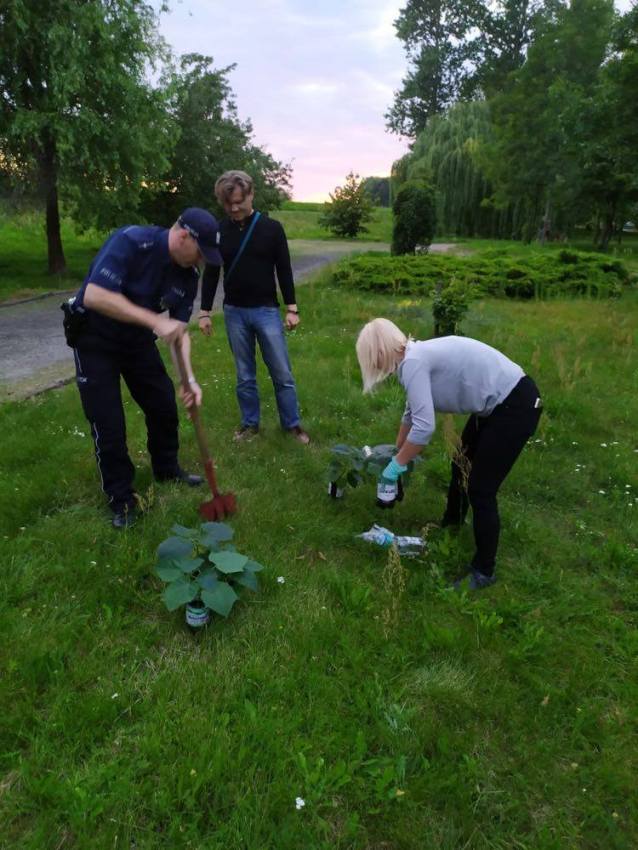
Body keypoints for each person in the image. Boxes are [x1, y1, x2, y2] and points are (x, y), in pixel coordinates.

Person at [356, 319, 543, 589]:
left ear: (380, 351)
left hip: (515, 404)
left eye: (371, 358)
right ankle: (451, 525)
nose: (373, 365)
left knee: (481, 489)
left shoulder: (414, 361)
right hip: (494, 406)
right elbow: (411, 414)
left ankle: (484, 570)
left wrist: (396, 466)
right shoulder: (413, 357)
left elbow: (424, 428)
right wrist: (397, 454)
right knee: (460, 465)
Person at [65, 208, 223, 529]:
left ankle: (166, 469)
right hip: (95, 339)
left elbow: (178, 333)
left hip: (136, 342)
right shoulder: (132, 242)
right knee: (108, 423)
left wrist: (189, 380)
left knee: (163, 404)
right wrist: (154, 321)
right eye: (200, 253)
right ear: (183, 236)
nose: (201, 262)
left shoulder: (187, 275)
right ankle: (121, 498)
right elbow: (94, 295)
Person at [198, 170, 310, 444]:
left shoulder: (272, 229)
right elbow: (211, 272)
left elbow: (284, 269)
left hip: (267, 311)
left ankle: (292, 425)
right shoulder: (219, 231)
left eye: (239, 201)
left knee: (282, 372)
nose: (234, 208)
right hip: (234, 312)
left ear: (251, 195)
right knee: (244, 375)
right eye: (228, 204)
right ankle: (250, 425)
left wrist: (292, 308)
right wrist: (204, 312)